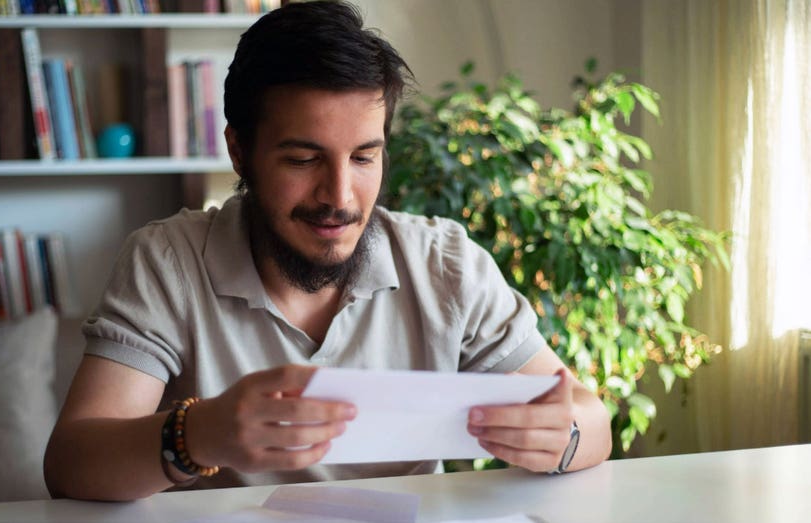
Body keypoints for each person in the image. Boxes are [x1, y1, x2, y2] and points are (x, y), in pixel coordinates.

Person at [43, 0, 612, 501]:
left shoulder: (445, 264)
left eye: (364, 157)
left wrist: (561, 438)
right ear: (239, 151)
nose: (339, 197)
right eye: (302, 159)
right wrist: (200, 435)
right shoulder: (167, 261)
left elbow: (591, 420)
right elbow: (70, 464)